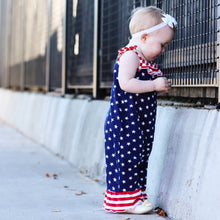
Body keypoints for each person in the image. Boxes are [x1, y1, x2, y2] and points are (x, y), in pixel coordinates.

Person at [103, 6, 177, 214]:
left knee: (140, 156)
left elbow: (141, 88)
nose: (163, 50)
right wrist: (154, 85)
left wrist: (157, 87)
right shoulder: (130, 56)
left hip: (139, 122)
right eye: (162, 45)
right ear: (144, 37)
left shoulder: (144, 60)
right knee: (127, 157)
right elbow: (126, 83)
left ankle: (136, 195)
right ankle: (124, 200)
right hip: (125, 121)